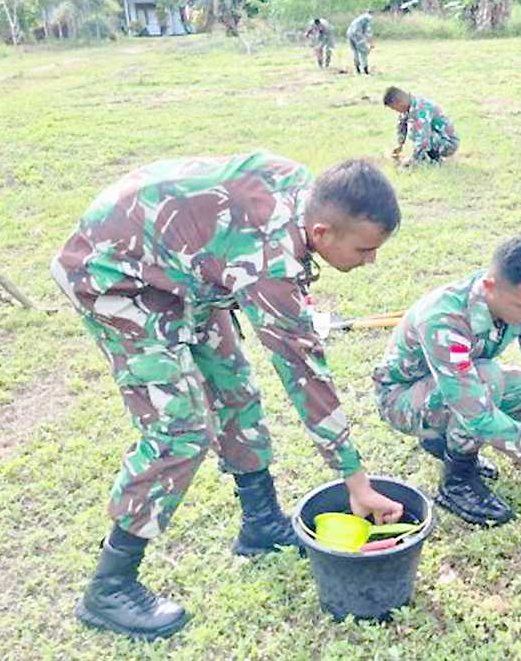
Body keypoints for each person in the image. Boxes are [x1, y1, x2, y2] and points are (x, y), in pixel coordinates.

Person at [52, 153, 406, 640]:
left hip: (183, 272)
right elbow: (305, 373)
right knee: (180, 430)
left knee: (235, 387)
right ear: (322, 234)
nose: (371, 261)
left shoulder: (308, 196)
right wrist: (355, 480)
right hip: (114, 276)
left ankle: (260, 525)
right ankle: (109, 587)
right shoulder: (269, 259)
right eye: (365, 249)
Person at [372, 235, 521, 526]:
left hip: (459, 384)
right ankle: (458, 481)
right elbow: (476, 413)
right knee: (486, 381)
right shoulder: (443, 317)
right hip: (402, 399)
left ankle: (444, 441)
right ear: (490, 286)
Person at [383, 86, 459, 167]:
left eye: (394, 108)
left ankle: (432, 160)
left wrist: (412, 161)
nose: (396, 111)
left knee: (415, 132)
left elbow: (423, 140)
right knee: (415, 133)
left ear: (399, 102)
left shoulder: (420, 110)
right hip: (436, 137)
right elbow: (402, 125)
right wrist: (399, 145)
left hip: (448, 142)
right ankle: (428, 159)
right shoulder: (409, 106)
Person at [346, 10, 373, 75]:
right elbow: (368, 31)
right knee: (363, 52)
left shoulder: (360, 18)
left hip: (349, 34)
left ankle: (357, 69)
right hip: (357, 34)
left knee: (355, 52)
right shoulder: (368, 18)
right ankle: (365, 70)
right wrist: (371, 42)